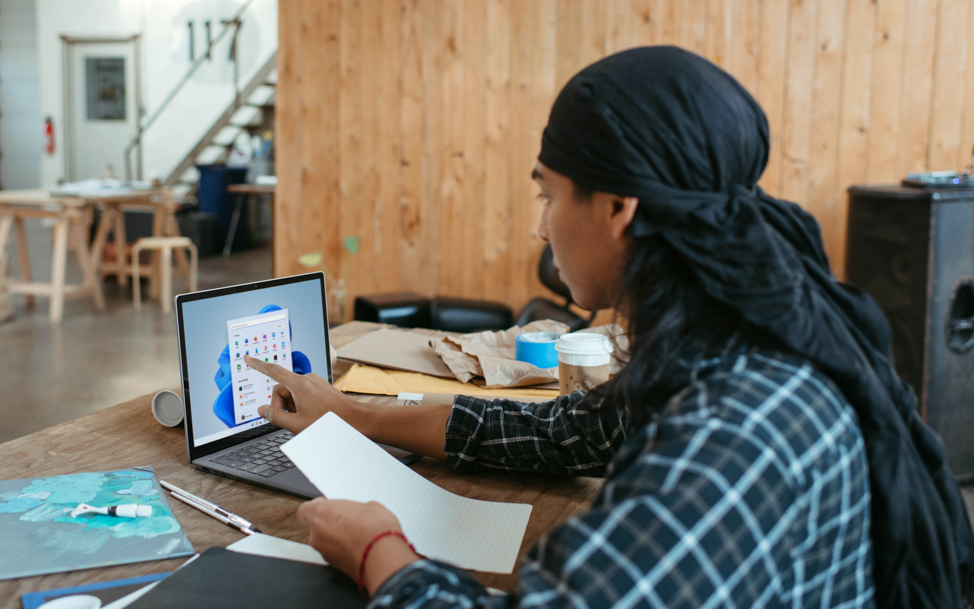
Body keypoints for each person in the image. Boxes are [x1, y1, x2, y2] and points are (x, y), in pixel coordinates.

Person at [243, 46, 974, 608]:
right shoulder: (727, 341)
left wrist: (377, 549)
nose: (540, 227)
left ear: (618, 208)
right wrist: (350, 413)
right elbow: (565, 430)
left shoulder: (739, 426)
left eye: (548, 194)